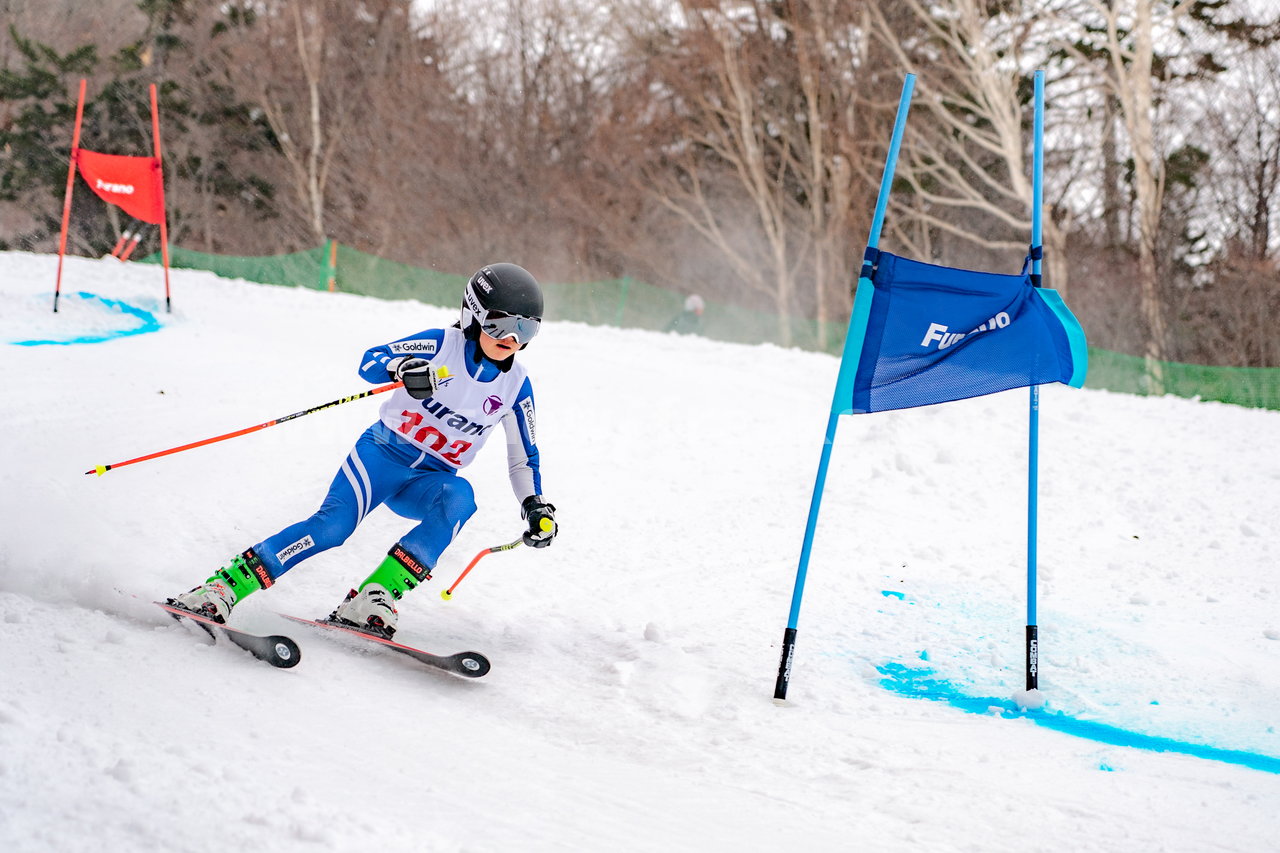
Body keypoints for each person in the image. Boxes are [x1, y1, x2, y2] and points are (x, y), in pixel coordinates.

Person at [169, 262, 558, 638]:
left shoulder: (516, 386)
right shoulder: (443, 345)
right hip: (383, 456)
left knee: (460, 499)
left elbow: (524, 457)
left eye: (526, 328)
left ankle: (376, 595)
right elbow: (371, 361)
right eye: (500, 323)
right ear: (473, 315)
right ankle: (222, 588)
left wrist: (535, 505)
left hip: (432, 480)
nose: (511, 337)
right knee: (332, 528)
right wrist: (404, 368)